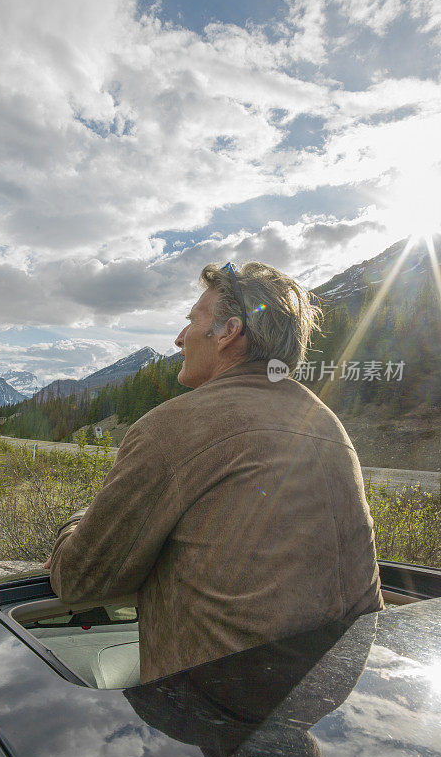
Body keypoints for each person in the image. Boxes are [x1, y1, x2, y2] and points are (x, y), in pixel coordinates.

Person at [45, 261, 384, 684]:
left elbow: (81, 580)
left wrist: (78, 521)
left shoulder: (174, 426)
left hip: (209, 707)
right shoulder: (327, 423)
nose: (179, 338)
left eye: (191, 321)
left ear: (228, 332)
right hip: (331, 699)